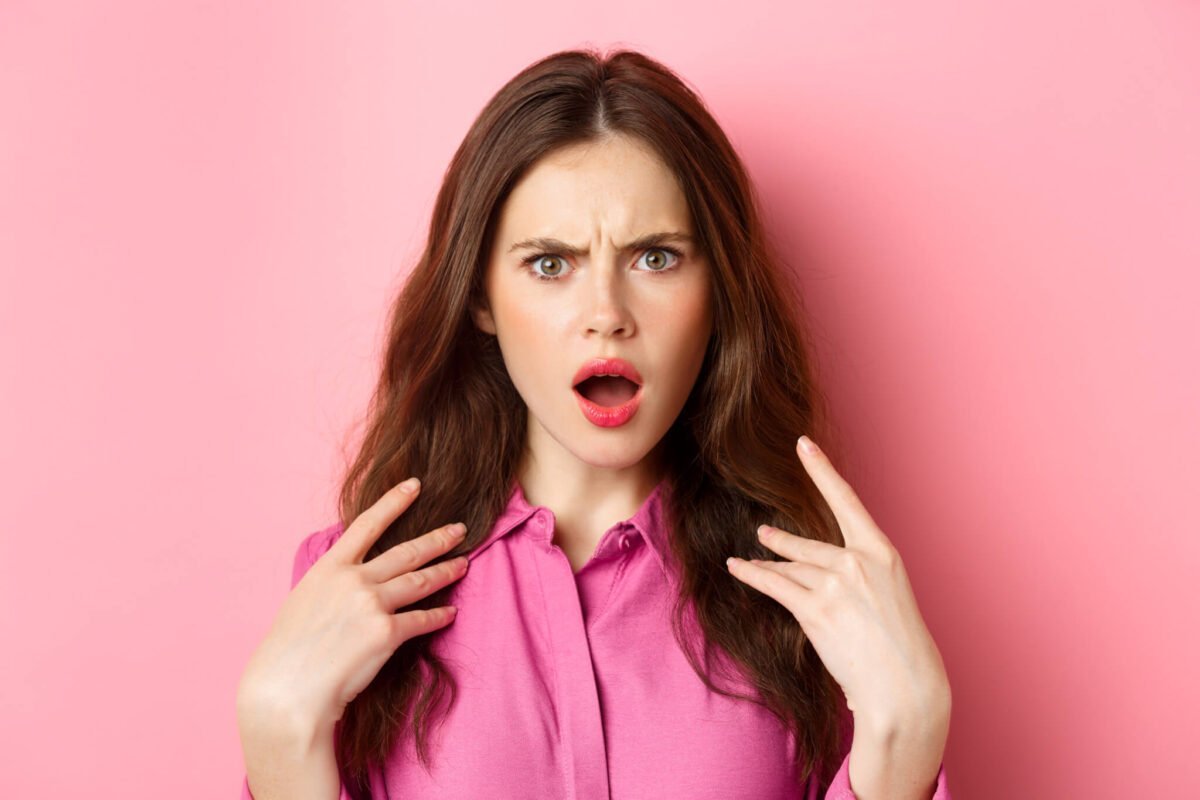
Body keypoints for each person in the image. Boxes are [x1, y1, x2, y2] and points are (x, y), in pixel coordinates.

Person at [236, 47, 953, 800]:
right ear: (479, 298)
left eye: (656, 258)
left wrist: (905, 737)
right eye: (551, 264)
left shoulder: (822, 600)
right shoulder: (356, 584)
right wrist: (278, 734)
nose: (607, 315)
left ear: (719, 291)